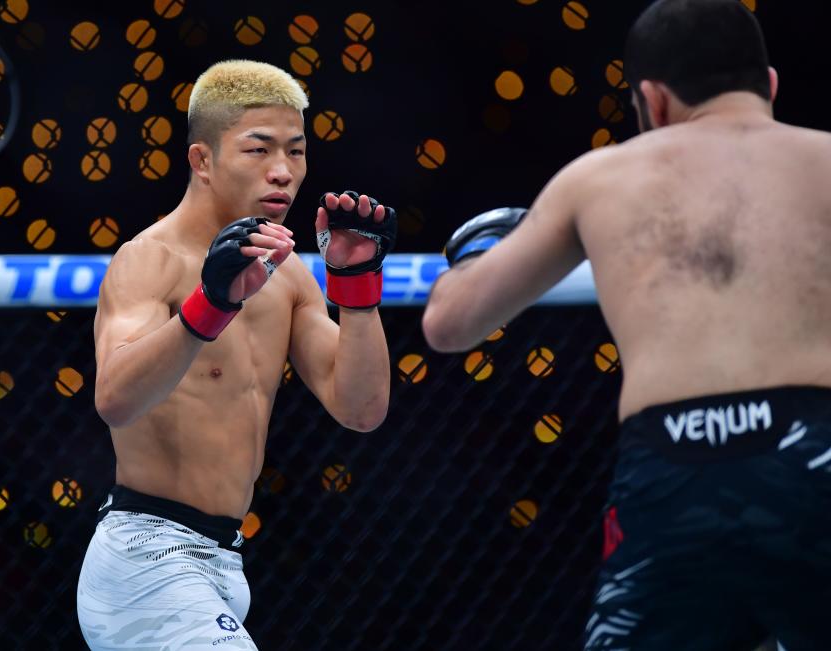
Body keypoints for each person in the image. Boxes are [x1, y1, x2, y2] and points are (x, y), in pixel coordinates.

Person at [422, 1, 831, 649]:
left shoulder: (601, 178)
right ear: (770, 85)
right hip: (817, 453)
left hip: (674, 466)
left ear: (653, 99)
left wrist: (476, 260)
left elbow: (449, 324)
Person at [76, 59, 396, 650]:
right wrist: (210, 305)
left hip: (224, 564)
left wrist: (357, 290)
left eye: (296, 152)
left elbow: (362, 408)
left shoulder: (290, 274)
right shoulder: (152, 260)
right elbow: (115, 400)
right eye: (258, 150)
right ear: (202, 160)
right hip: (147, 558)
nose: (282, 172)